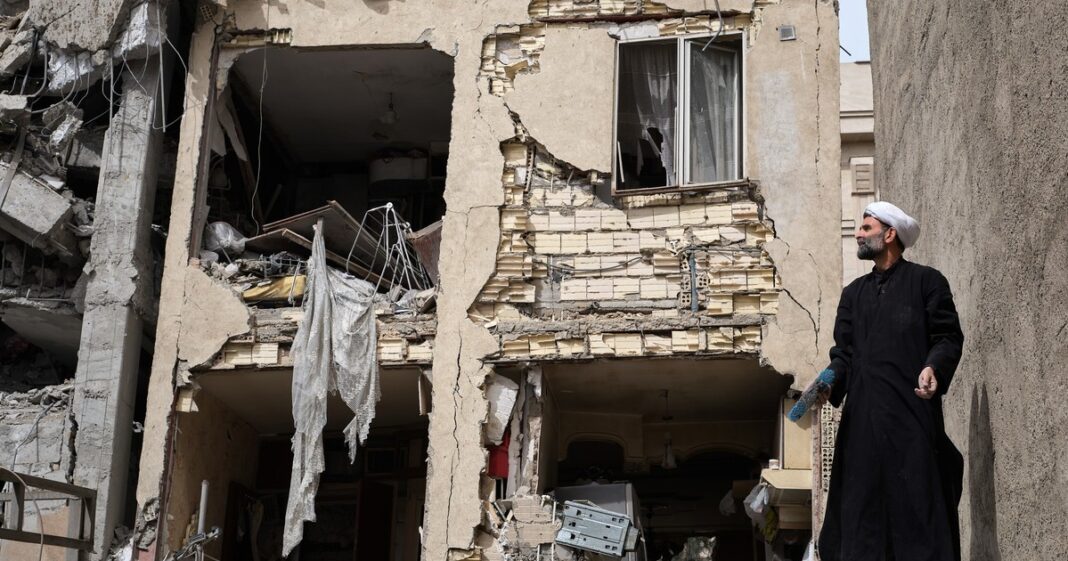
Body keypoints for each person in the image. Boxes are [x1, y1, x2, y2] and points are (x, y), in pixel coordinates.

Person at [816, 202, 965, 561]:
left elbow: (947, 337)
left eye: (866, 227)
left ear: (890, 234)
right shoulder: (853, 294)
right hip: (862, 431)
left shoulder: (927, 282)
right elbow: (844, 355)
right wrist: (826, 383)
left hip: (911, 423)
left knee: (919, 517)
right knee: (862, 523)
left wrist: (934, 368)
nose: (858, 233)